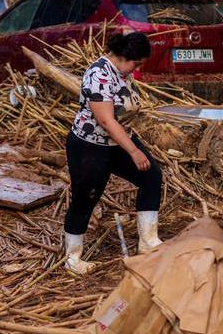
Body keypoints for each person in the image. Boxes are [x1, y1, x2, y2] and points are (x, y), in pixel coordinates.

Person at [63, 32, 163, 274]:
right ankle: (72, 259)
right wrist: (134, 151)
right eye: (136, 64)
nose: (137, 69)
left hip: (117, 141)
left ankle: (148, 242)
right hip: (90, 146)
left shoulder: (121, 72)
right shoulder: (99, 75)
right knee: (85, 198)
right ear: (123, 56)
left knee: (152, 175)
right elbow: (106, 121)